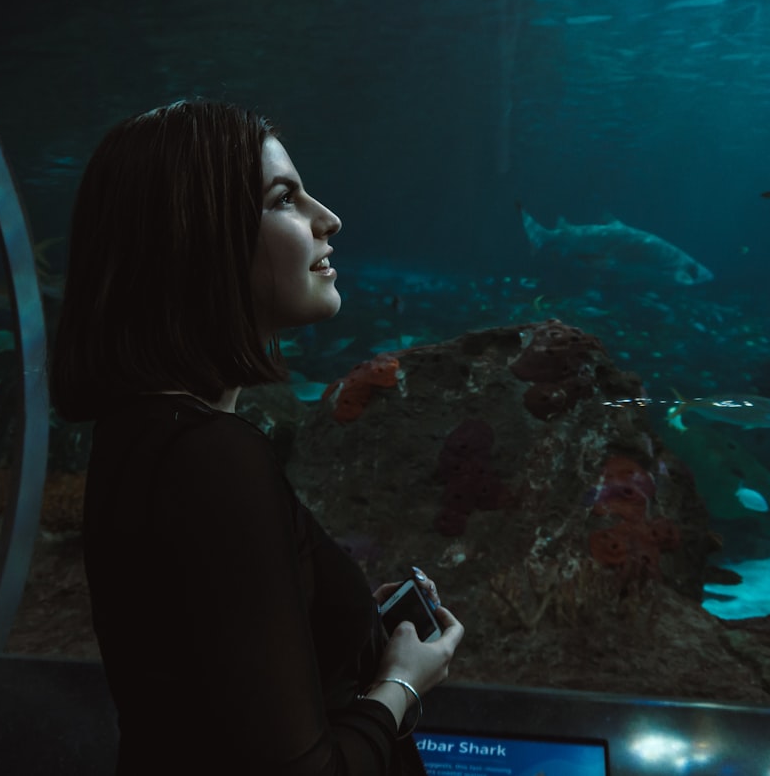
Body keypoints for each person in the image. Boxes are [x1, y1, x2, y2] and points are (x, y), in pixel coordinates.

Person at [49, 99, 464, 774]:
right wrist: (403, 683)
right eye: (284, 199)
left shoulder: (135, 436)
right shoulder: (211, 457)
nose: (328, 219)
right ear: (198, 237)